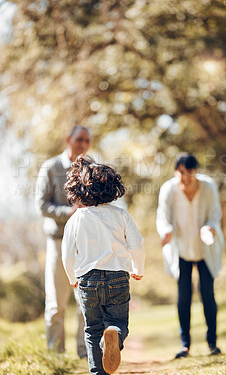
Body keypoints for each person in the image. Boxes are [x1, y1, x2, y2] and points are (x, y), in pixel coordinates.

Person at [61, 155, 145, 375]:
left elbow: (67, 254)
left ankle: (98, 371)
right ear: (112, 188)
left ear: (79, 189)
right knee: (118, 321)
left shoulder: (77, 218)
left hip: (87, 280)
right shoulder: (121, 215)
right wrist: (138, 269)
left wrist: (72, 279)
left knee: (92, 329)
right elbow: (137, 245)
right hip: (117, 276)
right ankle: (114, 334)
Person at [156, 153, 224, 358]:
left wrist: (210, 229)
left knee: (208, 295)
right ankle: (185, 344)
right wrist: (166, 231)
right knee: (184, 297)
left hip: (205, 248)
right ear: (177, 171)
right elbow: (163, 217)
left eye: (191, 172)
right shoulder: (168, 189)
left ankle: (212, 342)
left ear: (196, 171)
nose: (187, 177)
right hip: (181, 250)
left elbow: (215, 214)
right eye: (183, 173)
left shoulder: (209, 186)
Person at [35, 125, 91, 357]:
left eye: (87, 141)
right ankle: (56, 356)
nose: (83, 144)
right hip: (58, 242)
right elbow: (41, 205)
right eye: (79, 139)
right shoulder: (50, 167)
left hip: (85, 243)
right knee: (56, 304)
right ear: (68, 139)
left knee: (86, 302)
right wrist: (69, 212)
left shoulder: (91, 167)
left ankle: (84, 354)